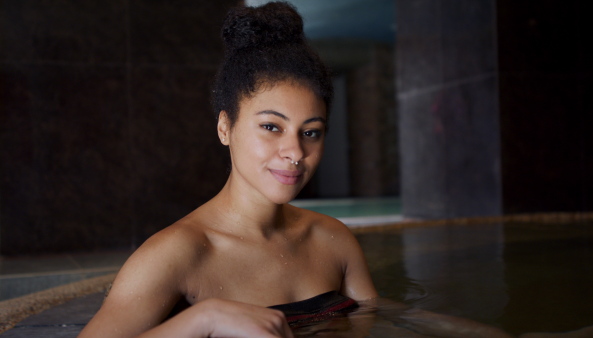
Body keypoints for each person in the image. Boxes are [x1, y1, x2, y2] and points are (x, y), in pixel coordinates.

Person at [80, 2, 519, 337]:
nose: (294, 152)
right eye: (271, 127)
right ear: (224, 127)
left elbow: (380, 313)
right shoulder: (177, 255)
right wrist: (203, 319)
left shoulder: (332, 240)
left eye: (311, 132)